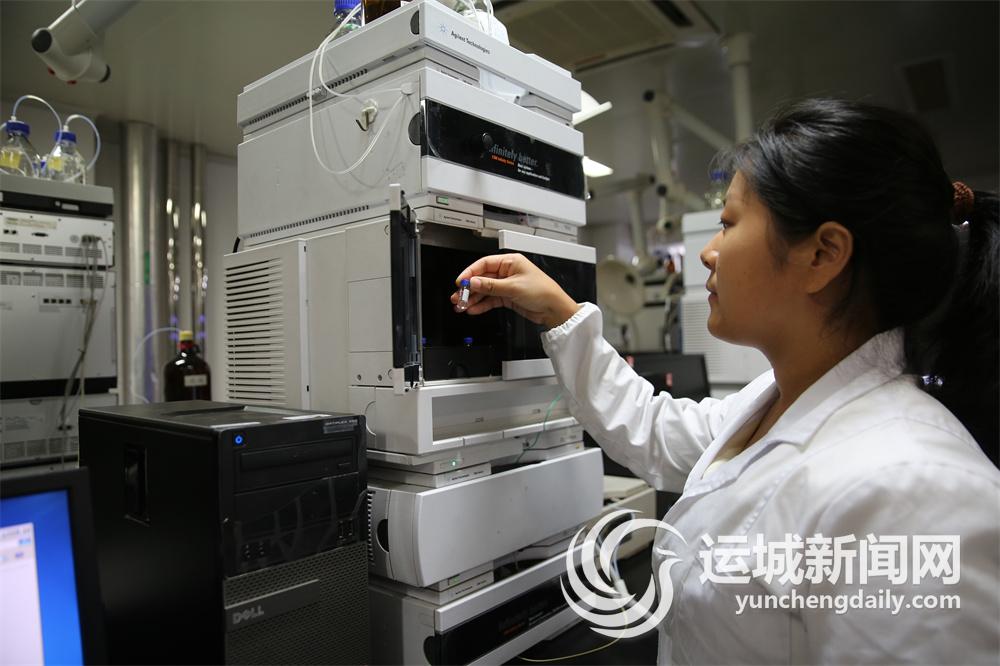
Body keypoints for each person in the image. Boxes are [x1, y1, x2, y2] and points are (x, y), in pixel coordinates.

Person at [452, 99, 999, 664]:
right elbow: (658, 429)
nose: (708, 253)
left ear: (823, 254)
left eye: (730, 223)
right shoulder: (779, 400)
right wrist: (562, 315)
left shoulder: (912, 491)